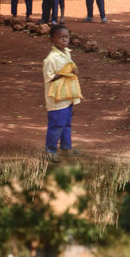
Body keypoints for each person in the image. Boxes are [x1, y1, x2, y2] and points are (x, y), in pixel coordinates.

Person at [43, 23, 82, 159]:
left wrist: (73, 70)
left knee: (66, 123)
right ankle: (50, 151)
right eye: (61, 37)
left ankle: (66, 148)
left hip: (67, 95)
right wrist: (64, 72)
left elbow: (71, 68)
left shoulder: (67, 53)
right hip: (57, 97)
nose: (65, 40)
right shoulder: (50, 59)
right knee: (57, 124)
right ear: (53, 40)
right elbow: (48, 78)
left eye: (67, 37)